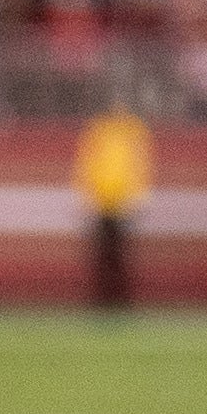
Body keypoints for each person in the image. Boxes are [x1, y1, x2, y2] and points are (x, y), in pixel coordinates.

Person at [74, 96, 152, 312]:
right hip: (101, 201)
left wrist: (138, 196)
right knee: (102, 255)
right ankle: (102, 301)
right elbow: (86, 163)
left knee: (121, 255)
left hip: (124, 201)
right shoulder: (97, 129)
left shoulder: (134, 131)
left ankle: (121, 301)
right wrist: (86, 196)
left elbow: (140, 165)